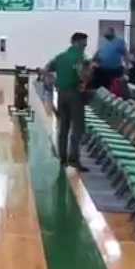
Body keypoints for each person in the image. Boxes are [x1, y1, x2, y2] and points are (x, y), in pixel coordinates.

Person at [42, 32, 91, 172]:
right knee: (77, 128)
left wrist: (52, 82)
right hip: (75, 94)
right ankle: (74, 159)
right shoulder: (81, 58)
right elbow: (82, 75)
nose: (85, 46)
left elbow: (45, 70)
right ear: (77, 42)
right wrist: (85, 80)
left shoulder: (60, 57)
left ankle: (62, 156)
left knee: (63, 126)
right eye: (84, 43)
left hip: (61, 94)